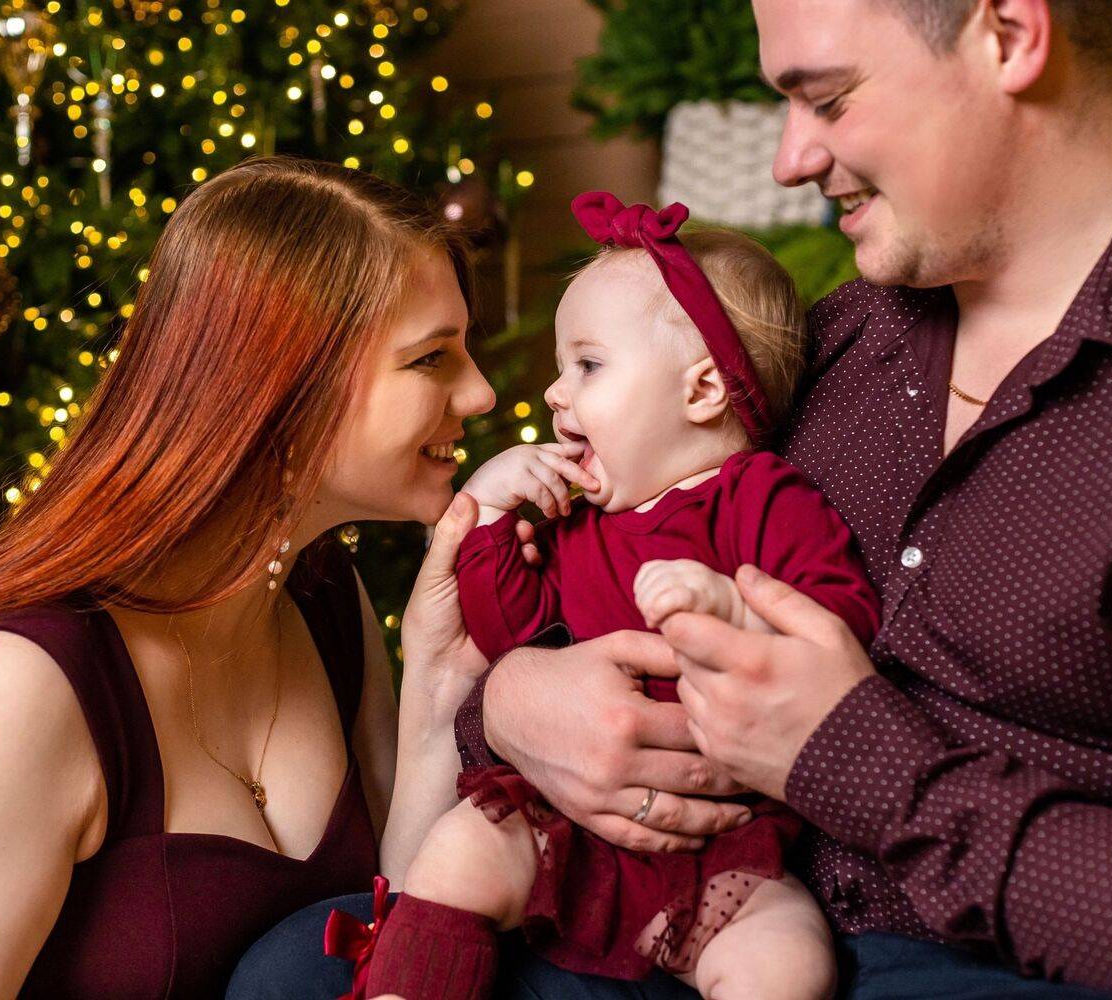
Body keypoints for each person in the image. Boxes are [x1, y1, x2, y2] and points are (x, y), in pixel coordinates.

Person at [236, 1, 1112, 997]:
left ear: (1011, 34)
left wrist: (856, 756)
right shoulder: (843, 339)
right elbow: (619, 566)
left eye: (829, 99)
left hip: (967, 961)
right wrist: (516, 705)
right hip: (642, 899)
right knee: (293, 975)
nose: (789, 160)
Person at [0, 157, 499, 998]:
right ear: (283, 382)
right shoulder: (15, 686)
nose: (481, 393)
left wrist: (441, 681)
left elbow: (408, 932)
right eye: (431, 358)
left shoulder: (327, 594)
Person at [350, 196, 880, 1000]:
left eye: (588, 366)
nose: (555, 394)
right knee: (458, 851)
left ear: (703, 390)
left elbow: (842, 617)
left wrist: (733, 611)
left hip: (725, 847)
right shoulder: (581, 526)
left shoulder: (760, 497)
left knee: (788, 959)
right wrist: (488, 510)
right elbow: (507, 631)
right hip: (570, 829)